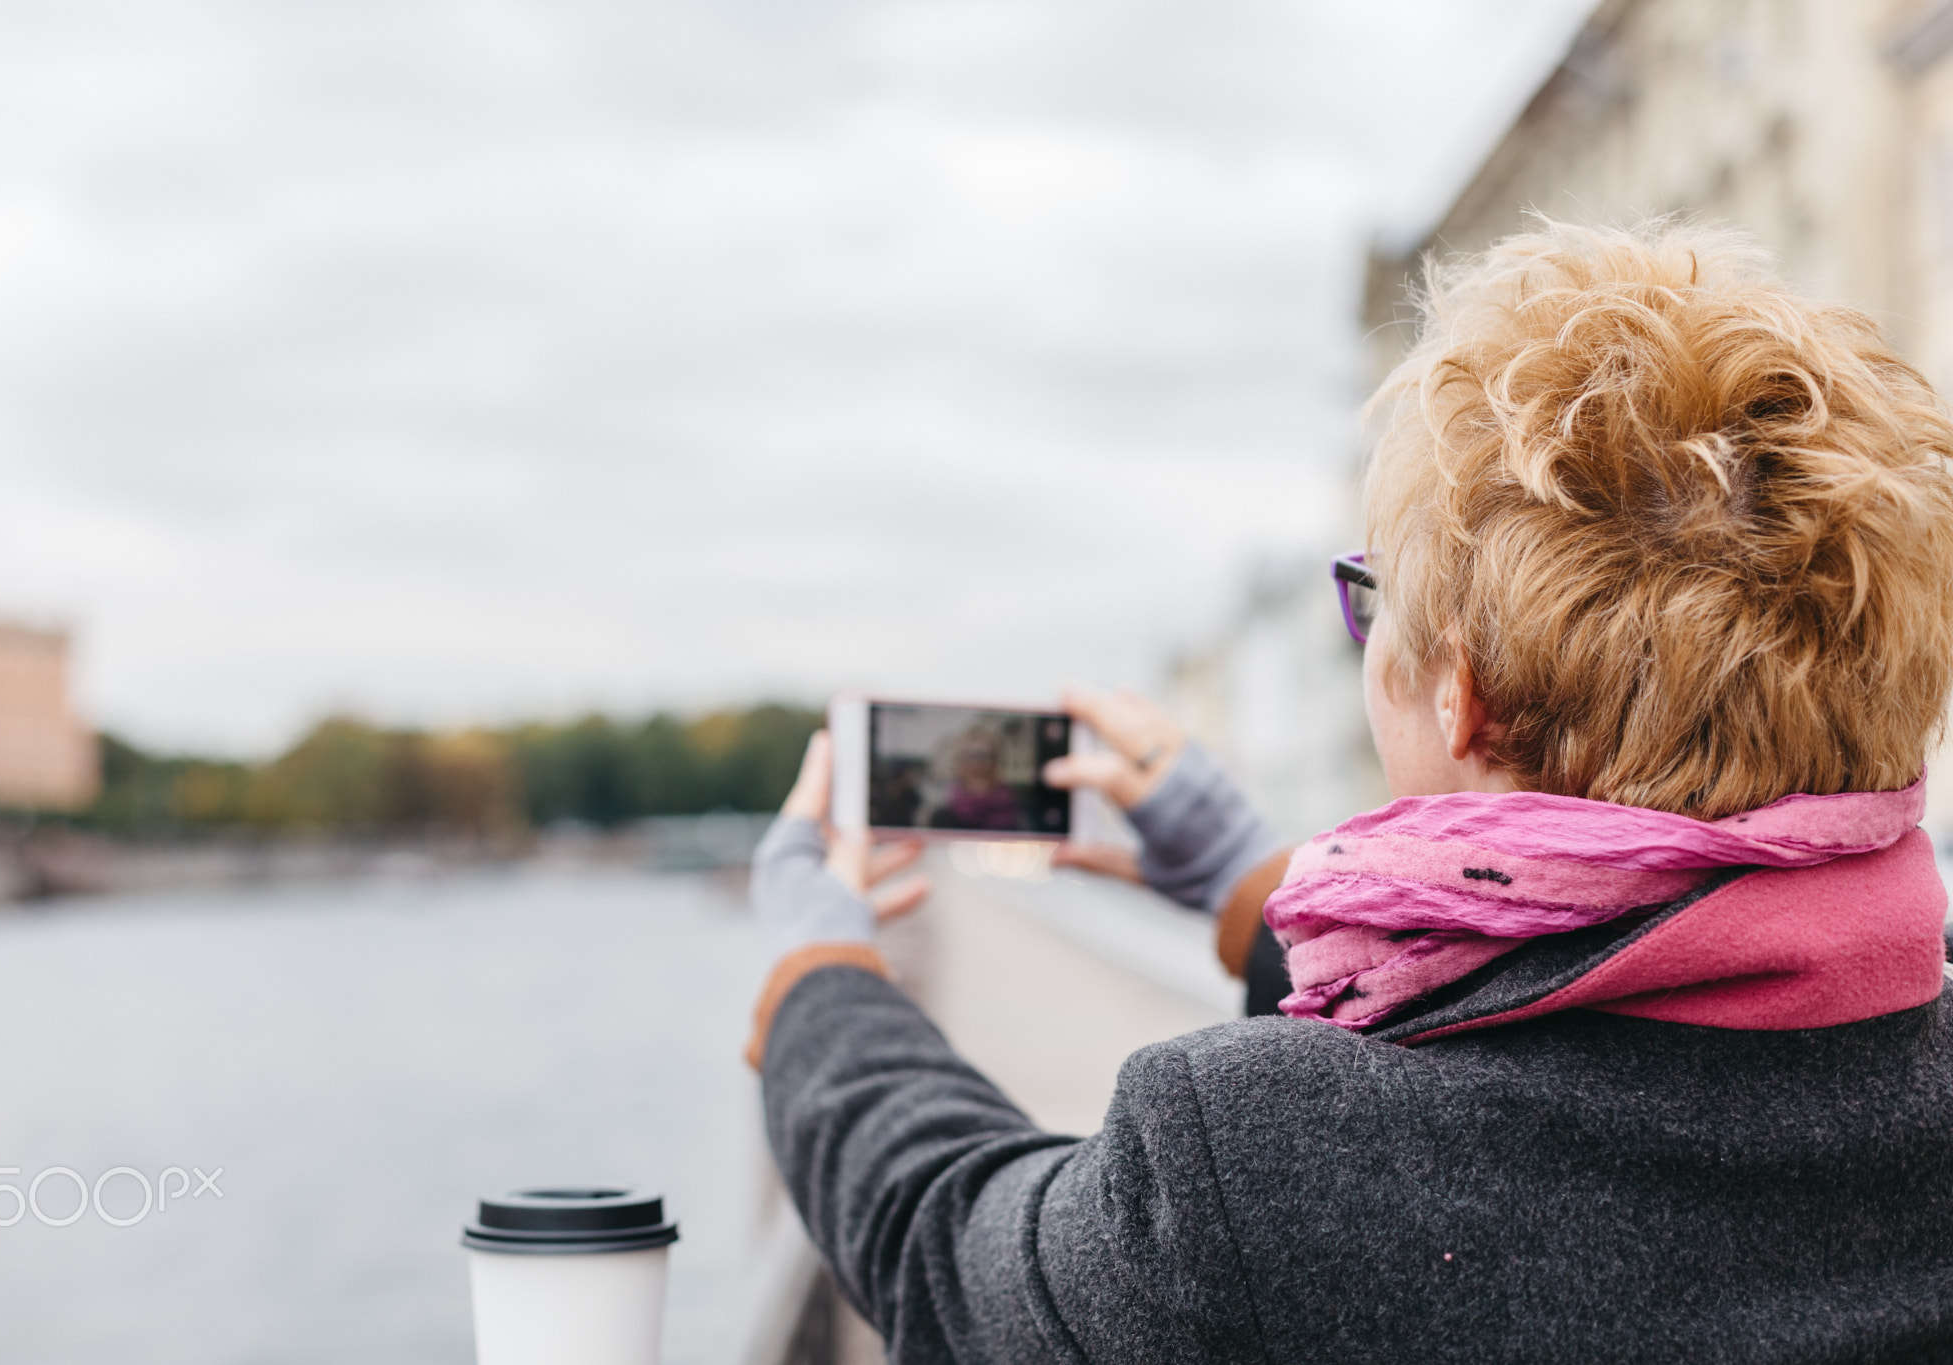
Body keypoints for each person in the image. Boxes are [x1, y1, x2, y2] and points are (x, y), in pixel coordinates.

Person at [742, 220, 1953, 1362]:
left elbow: (948, 1258)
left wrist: (821, 980)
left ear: (1459, 699)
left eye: (1370, 602)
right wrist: (1246, 889)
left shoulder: (1249, 1160)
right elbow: (1606, 1027)